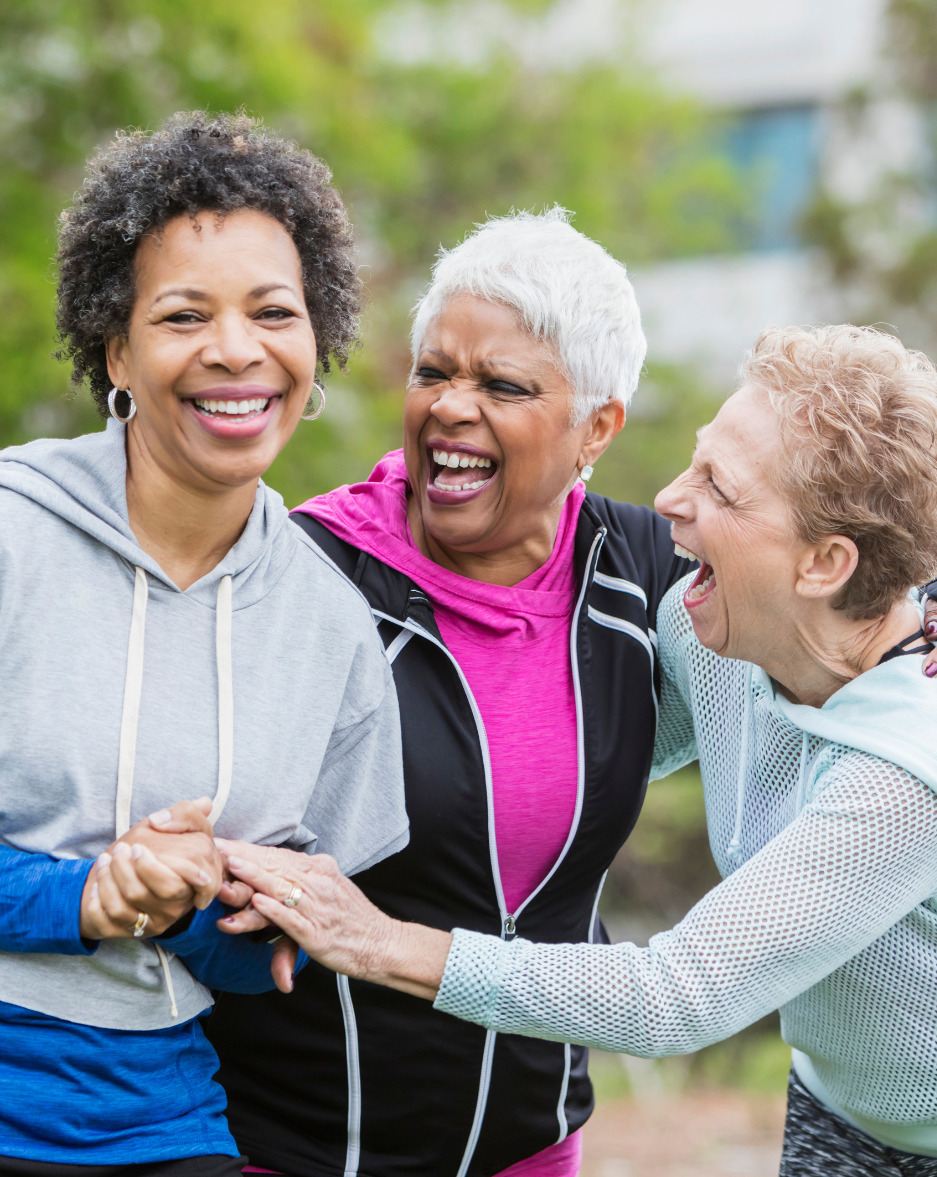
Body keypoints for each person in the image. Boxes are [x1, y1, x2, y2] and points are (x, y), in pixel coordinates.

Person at [224, 325, 937, 1177]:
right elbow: (574, 747)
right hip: (839, 1107)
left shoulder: (903, 778)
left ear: (823, 564)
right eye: (695, 460)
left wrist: (375, 941)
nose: (668, 499)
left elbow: (676, 997)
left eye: (718, 487)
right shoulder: (722, 634)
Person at [205, 209, 691, 1177]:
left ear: (597, 425)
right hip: (294, 1148)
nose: (450, 407)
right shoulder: (303, 576)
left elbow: (824, 597)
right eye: (434, 372)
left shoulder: (647, 570)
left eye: (502, 384)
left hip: (532, 1145)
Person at [0, 112, 407, 1172]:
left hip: (155, 1112)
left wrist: (197, 902)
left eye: (274, 311)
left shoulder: (328, 625)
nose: (236, 349)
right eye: (185, 314)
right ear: (116, 349)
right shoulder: (10, 533)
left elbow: (266, 965)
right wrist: (84, 896)